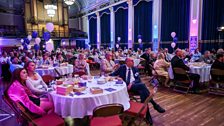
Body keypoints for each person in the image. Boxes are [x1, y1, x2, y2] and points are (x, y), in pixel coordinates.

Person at [110, 57, 165, 125]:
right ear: (127, 62)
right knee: (142, 87)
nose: (133, 62)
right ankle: (154, 105)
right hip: (125, 86)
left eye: (133, 61)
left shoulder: (135, 68)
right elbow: (113, 74)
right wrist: (117, 77)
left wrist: (132, 83)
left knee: (143, 92)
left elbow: (138, 79)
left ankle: (148, 113)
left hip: (134, 85)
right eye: (131, 61)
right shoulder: (122, 67)